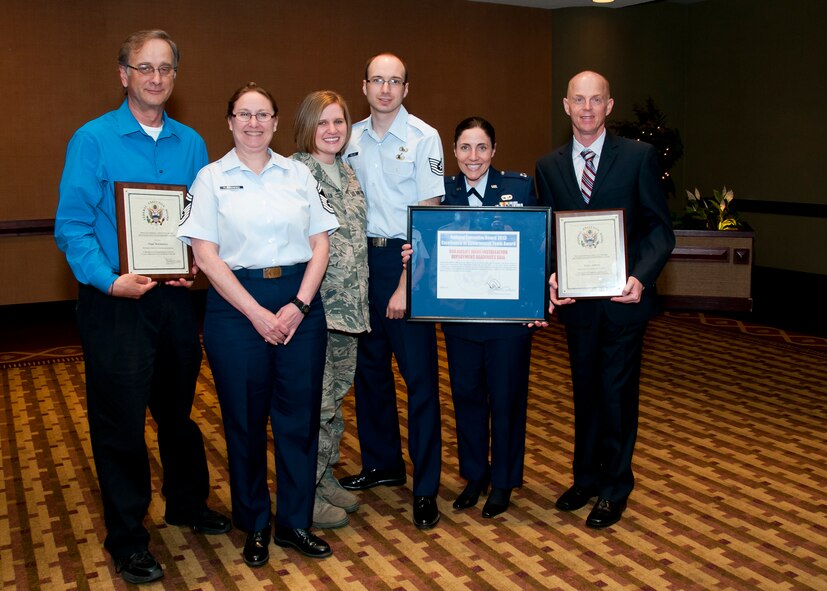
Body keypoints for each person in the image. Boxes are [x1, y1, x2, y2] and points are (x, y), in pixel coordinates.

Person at [54, 29, 231, 585]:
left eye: (165, 68)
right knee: (121, 425)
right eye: (144, 67)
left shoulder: (192, 143)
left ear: (175, 76)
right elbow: (72, 227)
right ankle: (128, 538)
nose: (155, 77)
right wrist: (109, 281)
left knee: (178, 414)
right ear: (124, 74)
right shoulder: (92, 139)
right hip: (117, 304)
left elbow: (203, 221)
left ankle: (186, 503)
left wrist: (199, 261)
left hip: (175, 302)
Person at [177, 82, 338, 565]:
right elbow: (205, 254)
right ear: (229, 122)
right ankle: (255, 524)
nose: (253, 123)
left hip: (299, 306)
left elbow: (321, 244)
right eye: (244, 115)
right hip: (235, 309)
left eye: (263, 115)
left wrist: (299, 306)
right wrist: (256, 313)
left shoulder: (298, 174)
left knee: (299, 421)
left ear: (274, 121)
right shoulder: (209, 178)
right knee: (244, 423)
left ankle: (294, 523)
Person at [534, 71, 675, 528]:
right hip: (578, 308)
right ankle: (586, 478)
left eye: (596, 100)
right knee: (585, 393)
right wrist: (552, 274)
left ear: (610, 106)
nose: (588, 108)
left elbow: (659, 229)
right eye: (579, 100)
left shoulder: (638, 157)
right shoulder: (549, 165)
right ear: (566, 105)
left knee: (615, 394)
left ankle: (615, 486)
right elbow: (549, 233)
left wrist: (641, 277)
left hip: (623, 301)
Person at [339, 53, 445, 530]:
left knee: (420, 379)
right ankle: (382, 464)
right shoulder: (349, 137)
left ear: (406, 88)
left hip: (408, 260)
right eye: (377, 81)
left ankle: (426, 487)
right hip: (362, 262)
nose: (385, 89)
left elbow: (428, 212)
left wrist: (407, 282)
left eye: (395, 81)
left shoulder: (425, 138)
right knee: (369, 370)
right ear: (364, 86)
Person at [440, 116, 540, 518]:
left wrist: (536, 303)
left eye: (481, 147)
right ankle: (475, 475)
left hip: (508, 321)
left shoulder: (518, 187)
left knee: (507, 400)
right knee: (466, 399)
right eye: (465, 148)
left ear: (494, 151)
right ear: (454, 151)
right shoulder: (442, 193)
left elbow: (536, 245)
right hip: (460, 319)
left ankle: (503, 482)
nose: (473, 156)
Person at [290, 91, 369, 529]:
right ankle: (303, 491)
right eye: (323, 123)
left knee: (335, 399)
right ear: (307, 126)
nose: (333, 130)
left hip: (350, 311)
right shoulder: (295, 173)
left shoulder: (349, 172)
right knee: (313, 403)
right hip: (315, 311)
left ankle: (323, 476)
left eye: (339, 122)